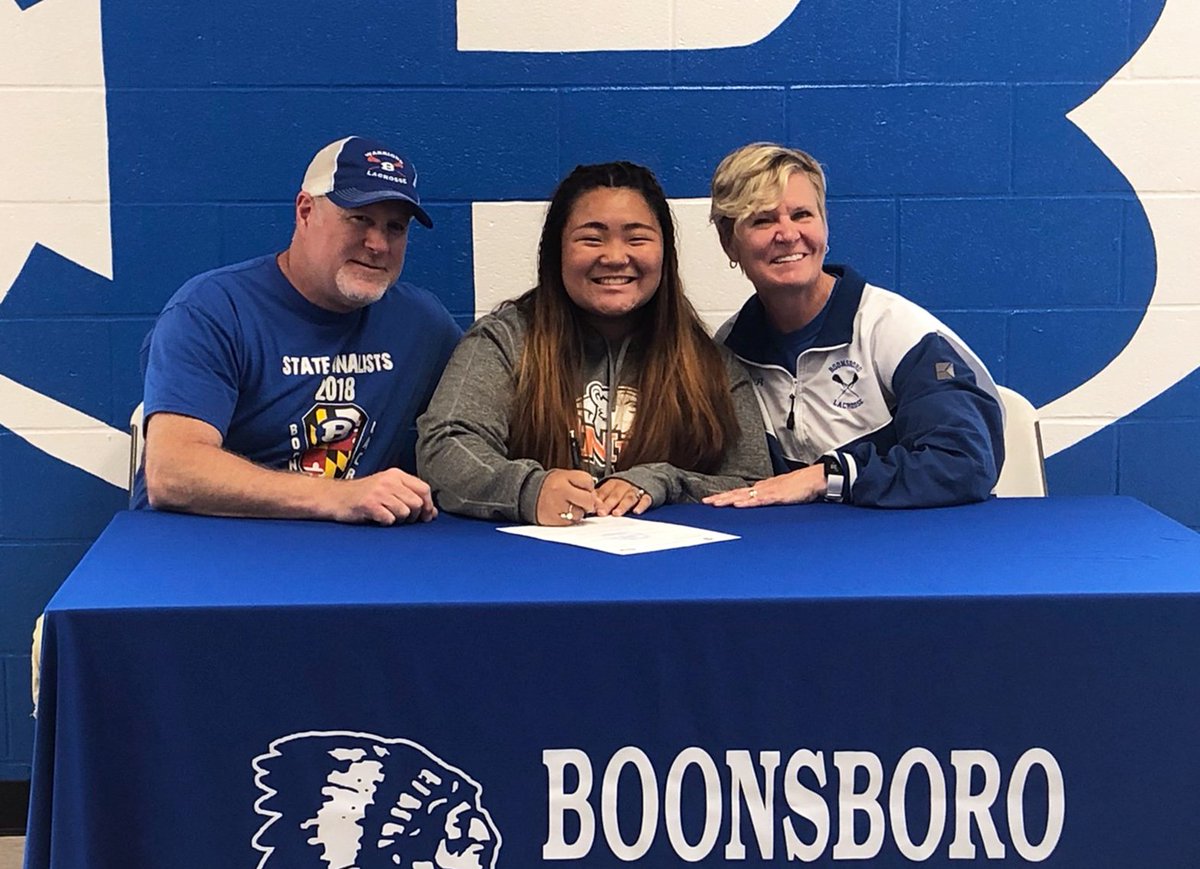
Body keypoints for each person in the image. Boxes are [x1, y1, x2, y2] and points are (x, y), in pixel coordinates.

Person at [417, 161, 770, 525]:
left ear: (665, 253)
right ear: (557, 252)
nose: (615, 257)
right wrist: (528, 490)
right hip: (532, 571)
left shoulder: (709, 364)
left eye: (637, 238)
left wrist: (665, 481)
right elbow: (445, 447)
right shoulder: (503, 341)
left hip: (667, 574)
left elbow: (753, 483)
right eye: (592, 238)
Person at [132, 135, 462, 524]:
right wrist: (340, 497)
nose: (378, 244)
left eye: (396, 228)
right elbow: (173, 472)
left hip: (354, 556)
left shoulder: (421, 323)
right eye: (360, 219)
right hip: (207, 552)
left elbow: (486, 425)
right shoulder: (213, 310)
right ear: (305, 211)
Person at [702, 142, 1004, 509]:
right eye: (763, 220)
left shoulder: (895, 331)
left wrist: (825, 478)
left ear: (824, 226)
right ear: (728, 243)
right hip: (792, 548)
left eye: (801, 215)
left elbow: (964, 463)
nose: (787, 234)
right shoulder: (730, 350)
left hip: (914, 544)